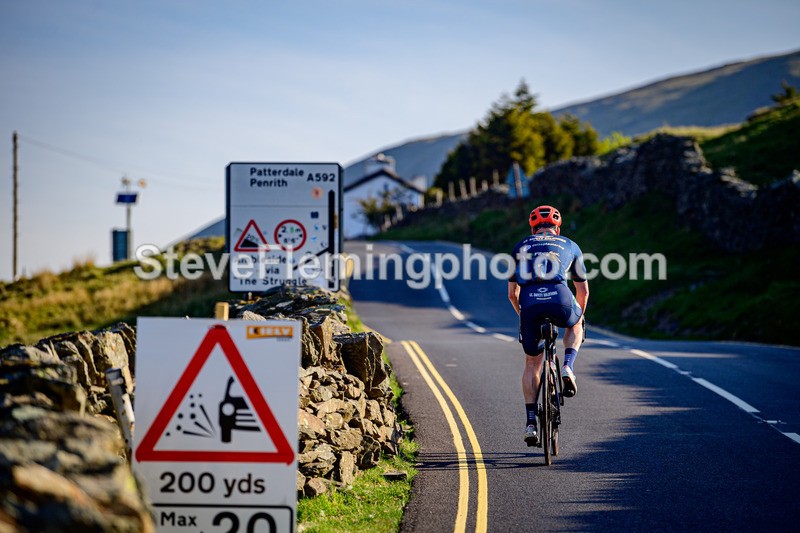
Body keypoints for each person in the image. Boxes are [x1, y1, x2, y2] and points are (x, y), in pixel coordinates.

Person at [508, 205, 589, 446]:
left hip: (530, 303)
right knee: (576, 324)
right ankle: (567, 366)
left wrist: (522, 315)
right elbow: (582, 291)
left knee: (533, 362)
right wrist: (578, 317)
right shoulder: (570, 245)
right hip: (560, 298)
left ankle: (531, 422)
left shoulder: (520, 246)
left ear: (533, 228)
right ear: (558, 227)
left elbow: (512, 294)